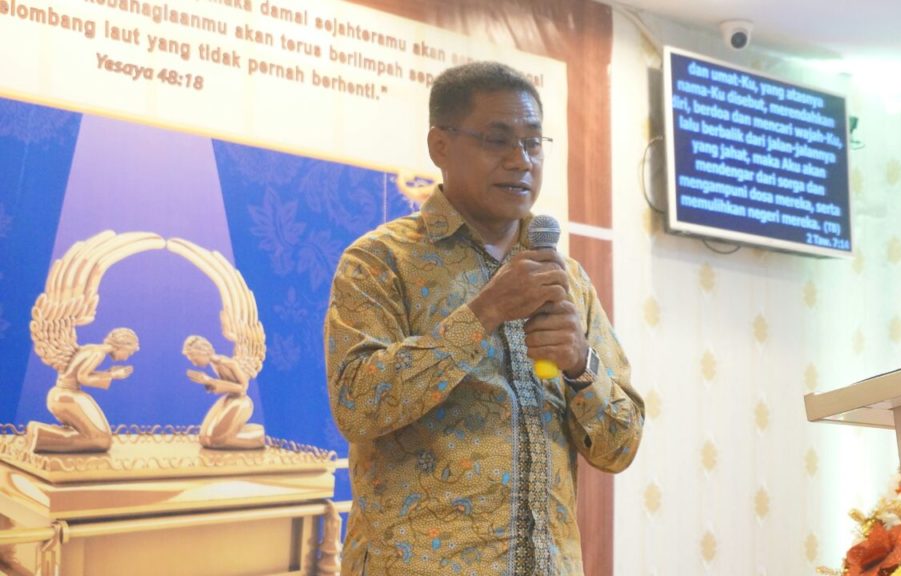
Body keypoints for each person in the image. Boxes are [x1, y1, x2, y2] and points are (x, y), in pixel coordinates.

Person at [324, 61, 644, 576]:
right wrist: (484, 313)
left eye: (533, 143)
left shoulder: (568, 280)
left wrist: (579, 364)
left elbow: (619, 447)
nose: (521, 161)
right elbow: (358, 406)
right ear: (440, 146)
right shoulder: (380, 261)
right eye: (498, 140)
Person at [27, 327, 138, 453]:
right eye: (129, 352)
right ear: (121, 346)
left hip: (60, 395)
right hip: (67, 396)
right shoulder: (98, 353)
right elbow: (83, 377)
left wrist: (109, 374)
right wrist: (112, 376)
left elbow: (79, 373)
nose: (126, 358)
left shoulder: (91, 348)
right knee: (101, 440)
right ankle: (41, 436)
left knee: (95, 436)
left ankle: (40, 433)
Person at [182, 335, 265, 450]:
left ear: (202, 352)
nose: (194, 363)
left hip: (240, 402)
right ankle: (246, 433)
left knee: (214, 440)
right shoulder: (214, 364)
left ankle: (261, 437)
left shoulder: (226, 362)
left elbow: (243, 387)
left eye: (194, 359)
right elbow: (225, 384)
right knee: (205, 438)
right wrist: (208, 383)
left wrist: (210, 381)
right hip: (230, 399)